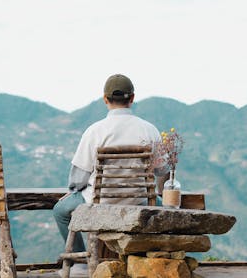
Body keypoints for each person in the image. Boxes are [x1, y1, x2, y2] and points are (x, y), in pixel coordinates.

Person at [52, 74, 169, 251]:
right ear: (132, 98)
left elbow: (79, 177)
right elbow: (162, 170)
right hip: (141, 202)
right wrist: (158, 193)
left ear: (105, 99)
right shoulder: (149, 129)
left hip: (99, 203)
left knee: (60, 211)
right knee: (167, 207)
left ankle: (78, 263)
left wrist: (74, 190)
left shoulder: (95, 131)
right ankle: (151, 257)